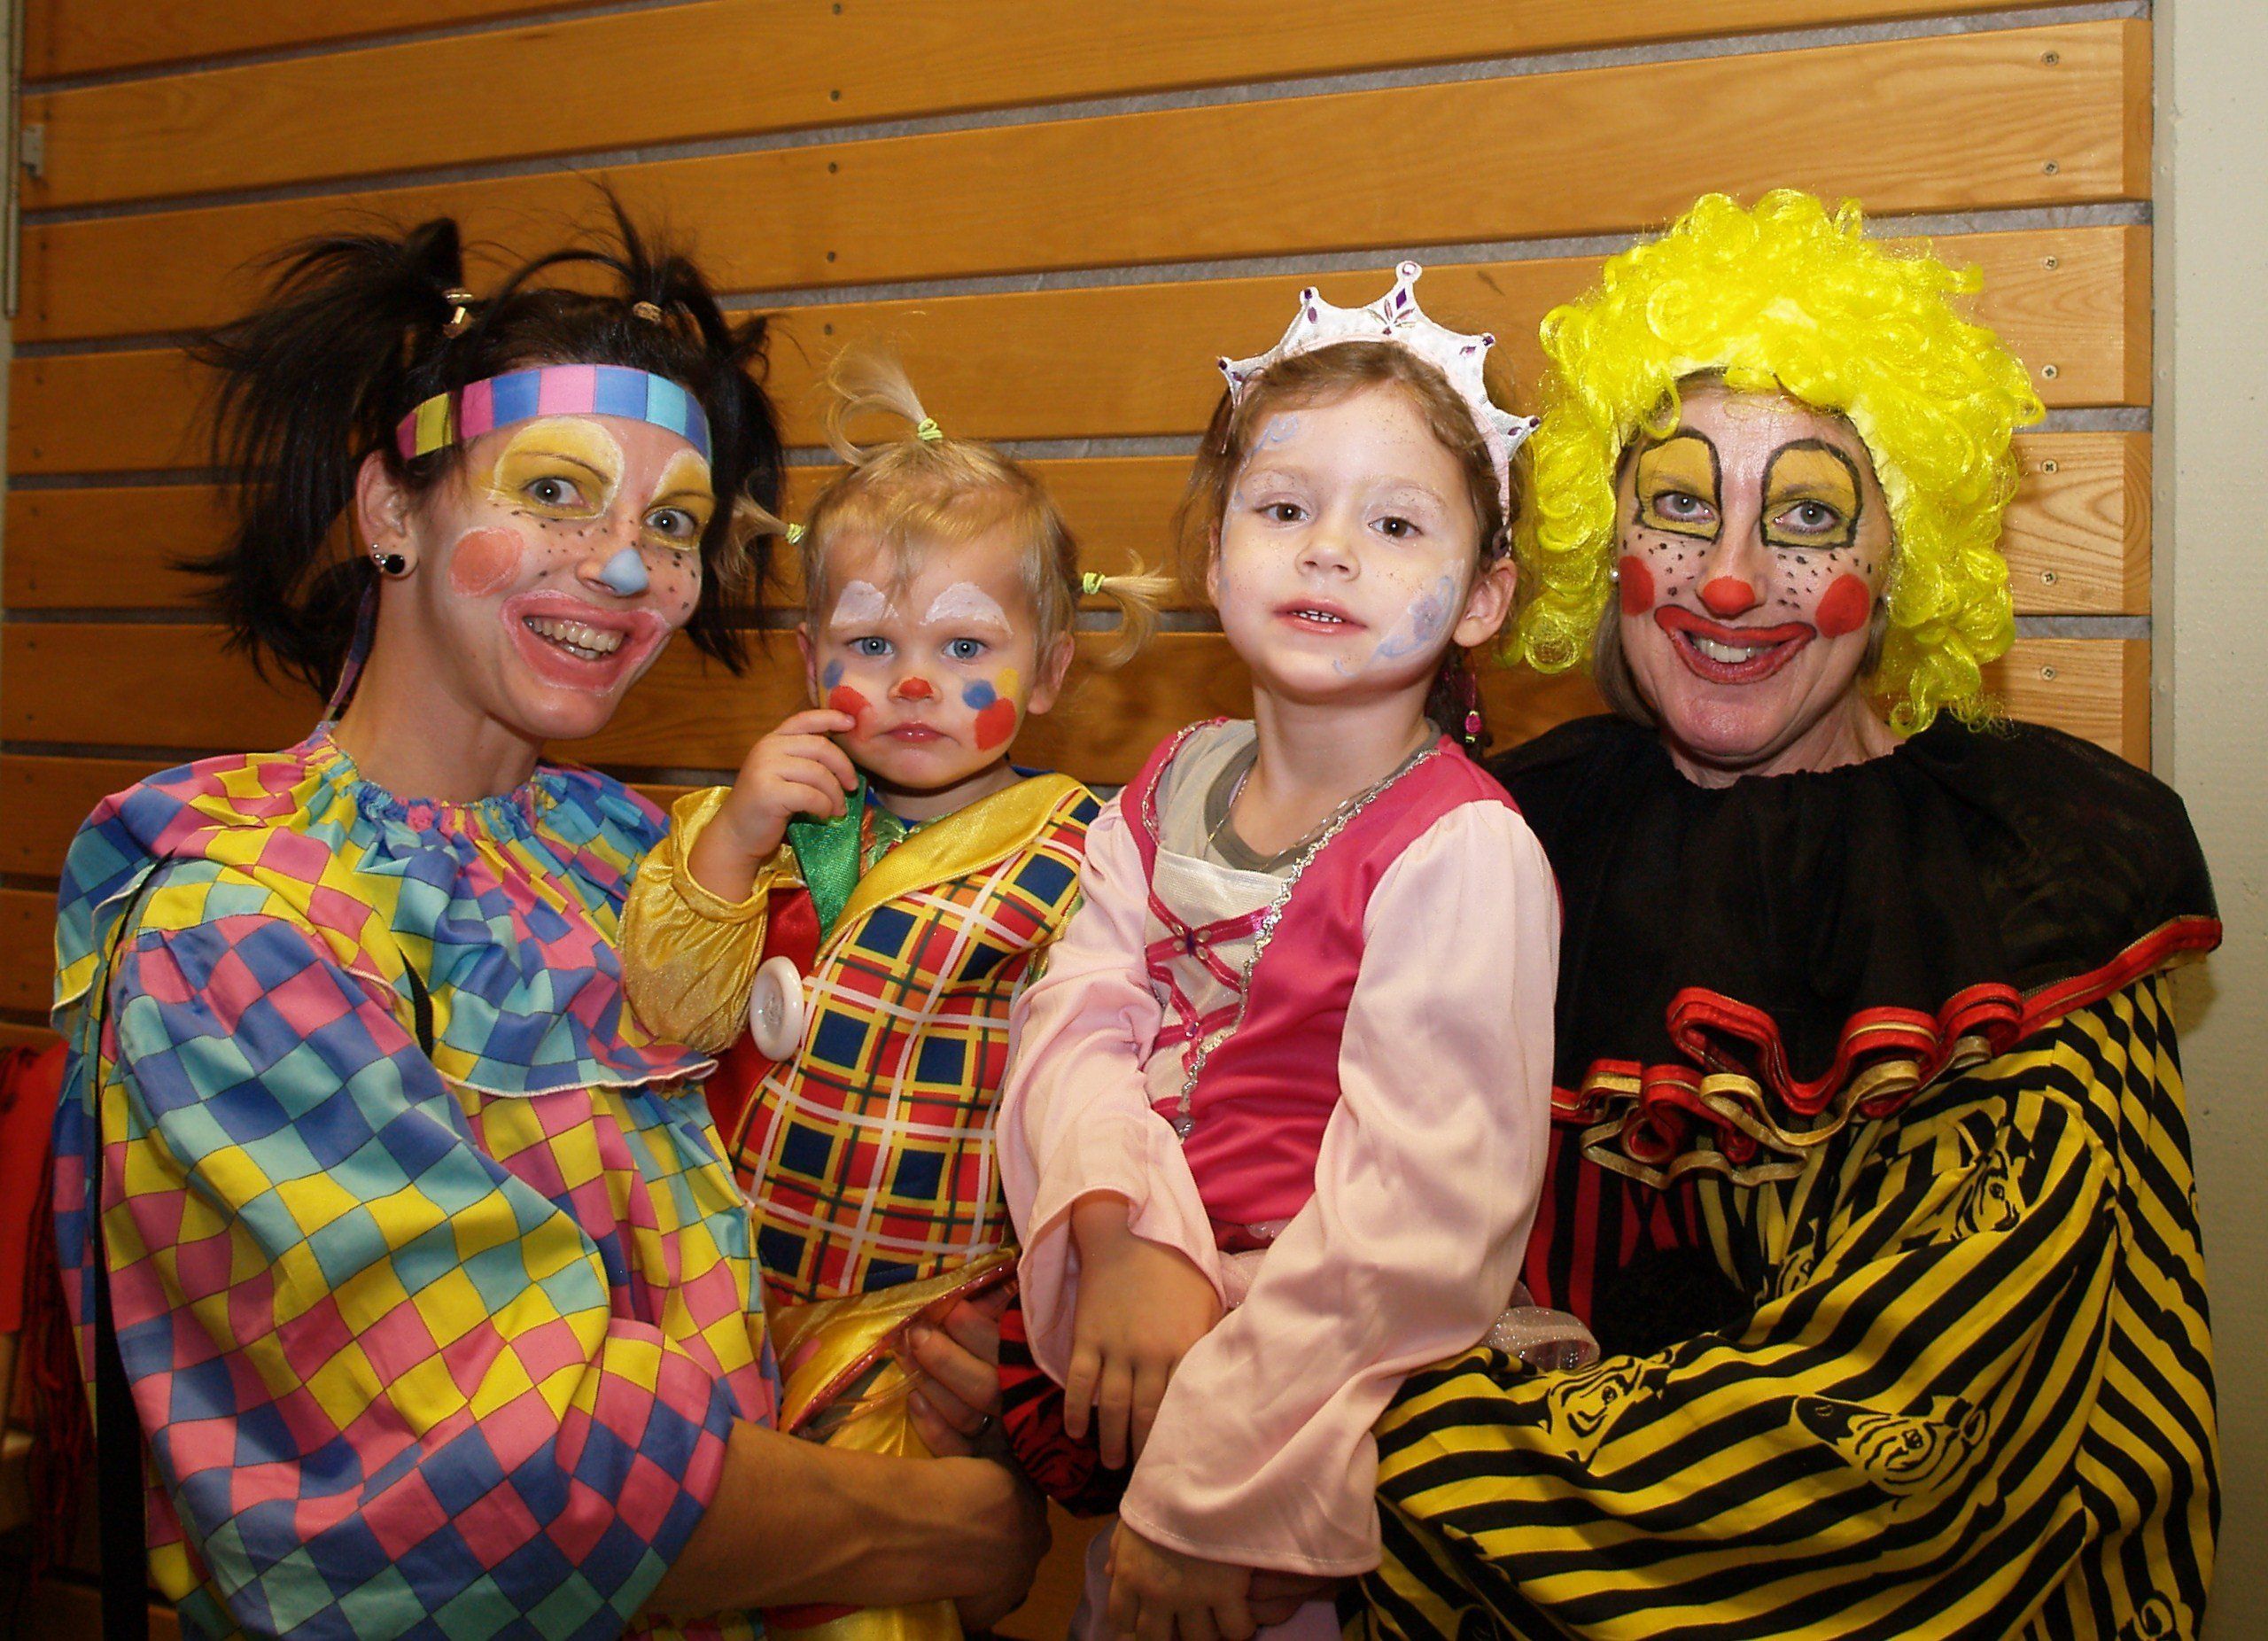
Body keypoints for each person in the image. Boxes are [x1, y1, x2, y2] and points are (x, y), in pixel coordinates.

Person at [49, 214, 1045, 1641]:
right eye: (558, 493)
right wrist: (952, 1524)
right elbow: (501, 1481)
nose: (627, 571)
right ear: (392, 513)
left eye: (672, 526)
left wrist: (938, 1353)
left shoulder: (654, 855)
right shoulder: (239, 929)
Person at [1359, 192, 2220, 1638]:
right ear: (1606, 538)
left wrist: (1317, 1446)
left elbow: (1896, 1438)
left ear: (1902, 562)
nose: (1732, 578)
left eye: (1809, 516)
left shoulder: (2025, 889)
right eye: (1680, 505)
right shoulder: (1499, 833)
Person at [999, 265, 1561, 1641]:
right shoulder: (1168, 782)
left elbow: (1413, 1224)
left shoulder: (1463, 852)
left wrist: (1209, 1484)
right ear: (1215, 558)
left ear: (1482, 598)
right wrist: (1118, 1232)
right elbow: (1073, 1019)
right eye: (1285, 508)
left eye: (1395, 523)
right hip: (1147, 1310)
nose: (1329, 552)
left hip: (1324, 1385)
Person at [616, 354, 1166, 1641]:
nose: (915, 681)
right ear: (811, 660)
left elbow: (1121, 1091)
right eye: (873, 644)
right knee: (685, 1579)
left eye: (965, 646)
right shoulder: (759, 824)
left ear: (1049, 669)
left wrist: (1042, 1323)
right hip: (717, 1298)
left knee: (869, 1605)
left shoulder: (1091, 855)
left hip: (922, 1330)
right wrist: (731, 844)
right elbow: (668, 1009)